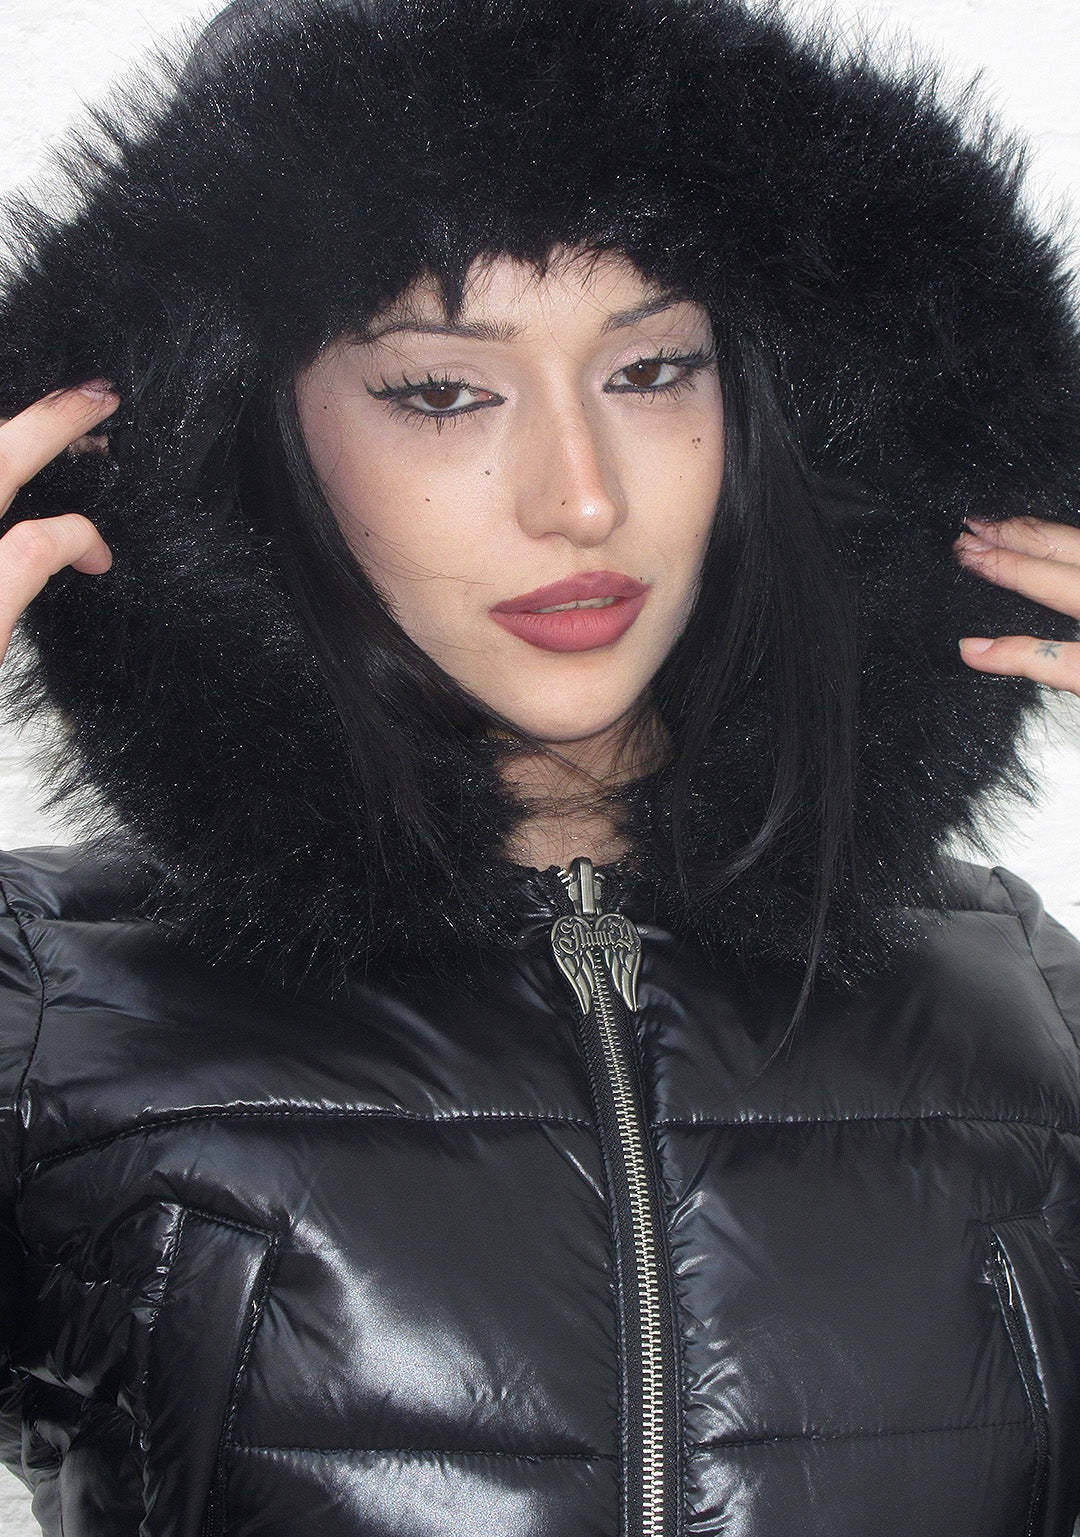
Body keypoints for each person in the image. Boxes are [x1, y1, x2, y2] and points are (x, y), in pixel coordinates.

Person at [0, 0, 1079, 1532]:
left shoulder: (1026, 1011)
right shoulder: (48, 1006)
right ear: (247, 432)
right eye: (443, 393)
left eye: (653, 370)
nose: (582, 500)